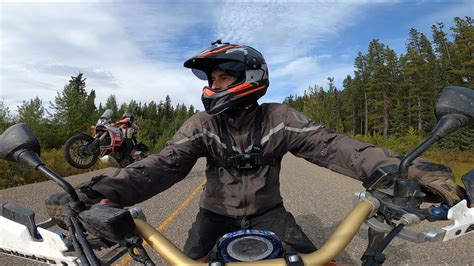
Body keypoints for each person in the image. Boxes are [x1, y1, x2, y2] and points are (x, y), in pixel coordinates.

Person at [46, 40, 464, 261]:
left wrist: (405, 169)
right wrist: (95, 193)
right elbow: (160, 166)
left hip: (270, 212)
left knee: (317, 262)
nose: (212, 86)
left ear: (250, 76)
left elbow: (335, 147)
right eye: (210, 79)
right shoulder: (201, 125)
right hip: (214, 215)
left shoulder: (279, 117)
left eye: (221, 78)